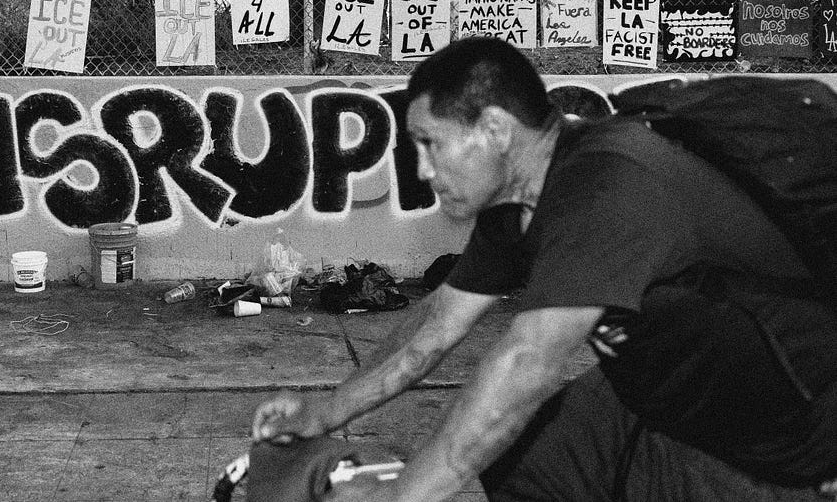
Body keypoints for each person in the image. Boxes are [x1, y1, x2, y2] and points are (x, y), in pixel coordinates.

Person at [251, 36, 837, 501]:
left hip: (780, 441)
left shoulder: (608, 186)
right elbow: (432, 330)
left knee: (508, 414)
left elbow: (527, 364)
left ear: (496, 130)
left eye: (430, 143)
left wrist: (402, 496)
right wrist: (325, 411)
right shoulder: (518, 201)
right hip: (670, 403)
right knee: (531, 447)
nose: (423, 170)